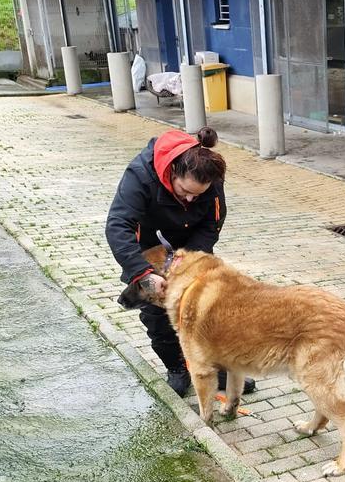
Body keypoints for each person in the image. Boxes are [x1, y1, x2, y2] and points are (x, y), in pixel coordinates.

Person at [105, 126, 255, 397]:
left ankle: (217, 365)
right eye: (185, 191)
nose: (190, 199)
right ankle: (176, 367)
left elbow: (213, 223)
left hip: (190, 245)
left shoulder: (210, 175)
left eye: (198, 195)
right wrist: (144, 273)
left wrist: (186, 263)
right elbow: (118, 225)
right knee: (157, 315)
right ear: (172, 172)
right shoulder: (140, 175)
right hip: (148, 245)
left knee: (206, 308)